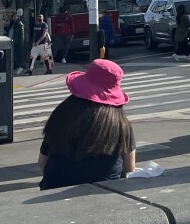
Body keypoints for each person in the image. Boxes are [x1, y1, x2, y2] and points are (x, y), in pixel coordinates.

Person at [39, 59, 136, 188]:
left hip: (54, 188)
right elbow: (129, 171)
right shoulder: (122, 125)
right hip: (107, 192)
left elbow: (42, 163)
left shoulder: (62, 115)